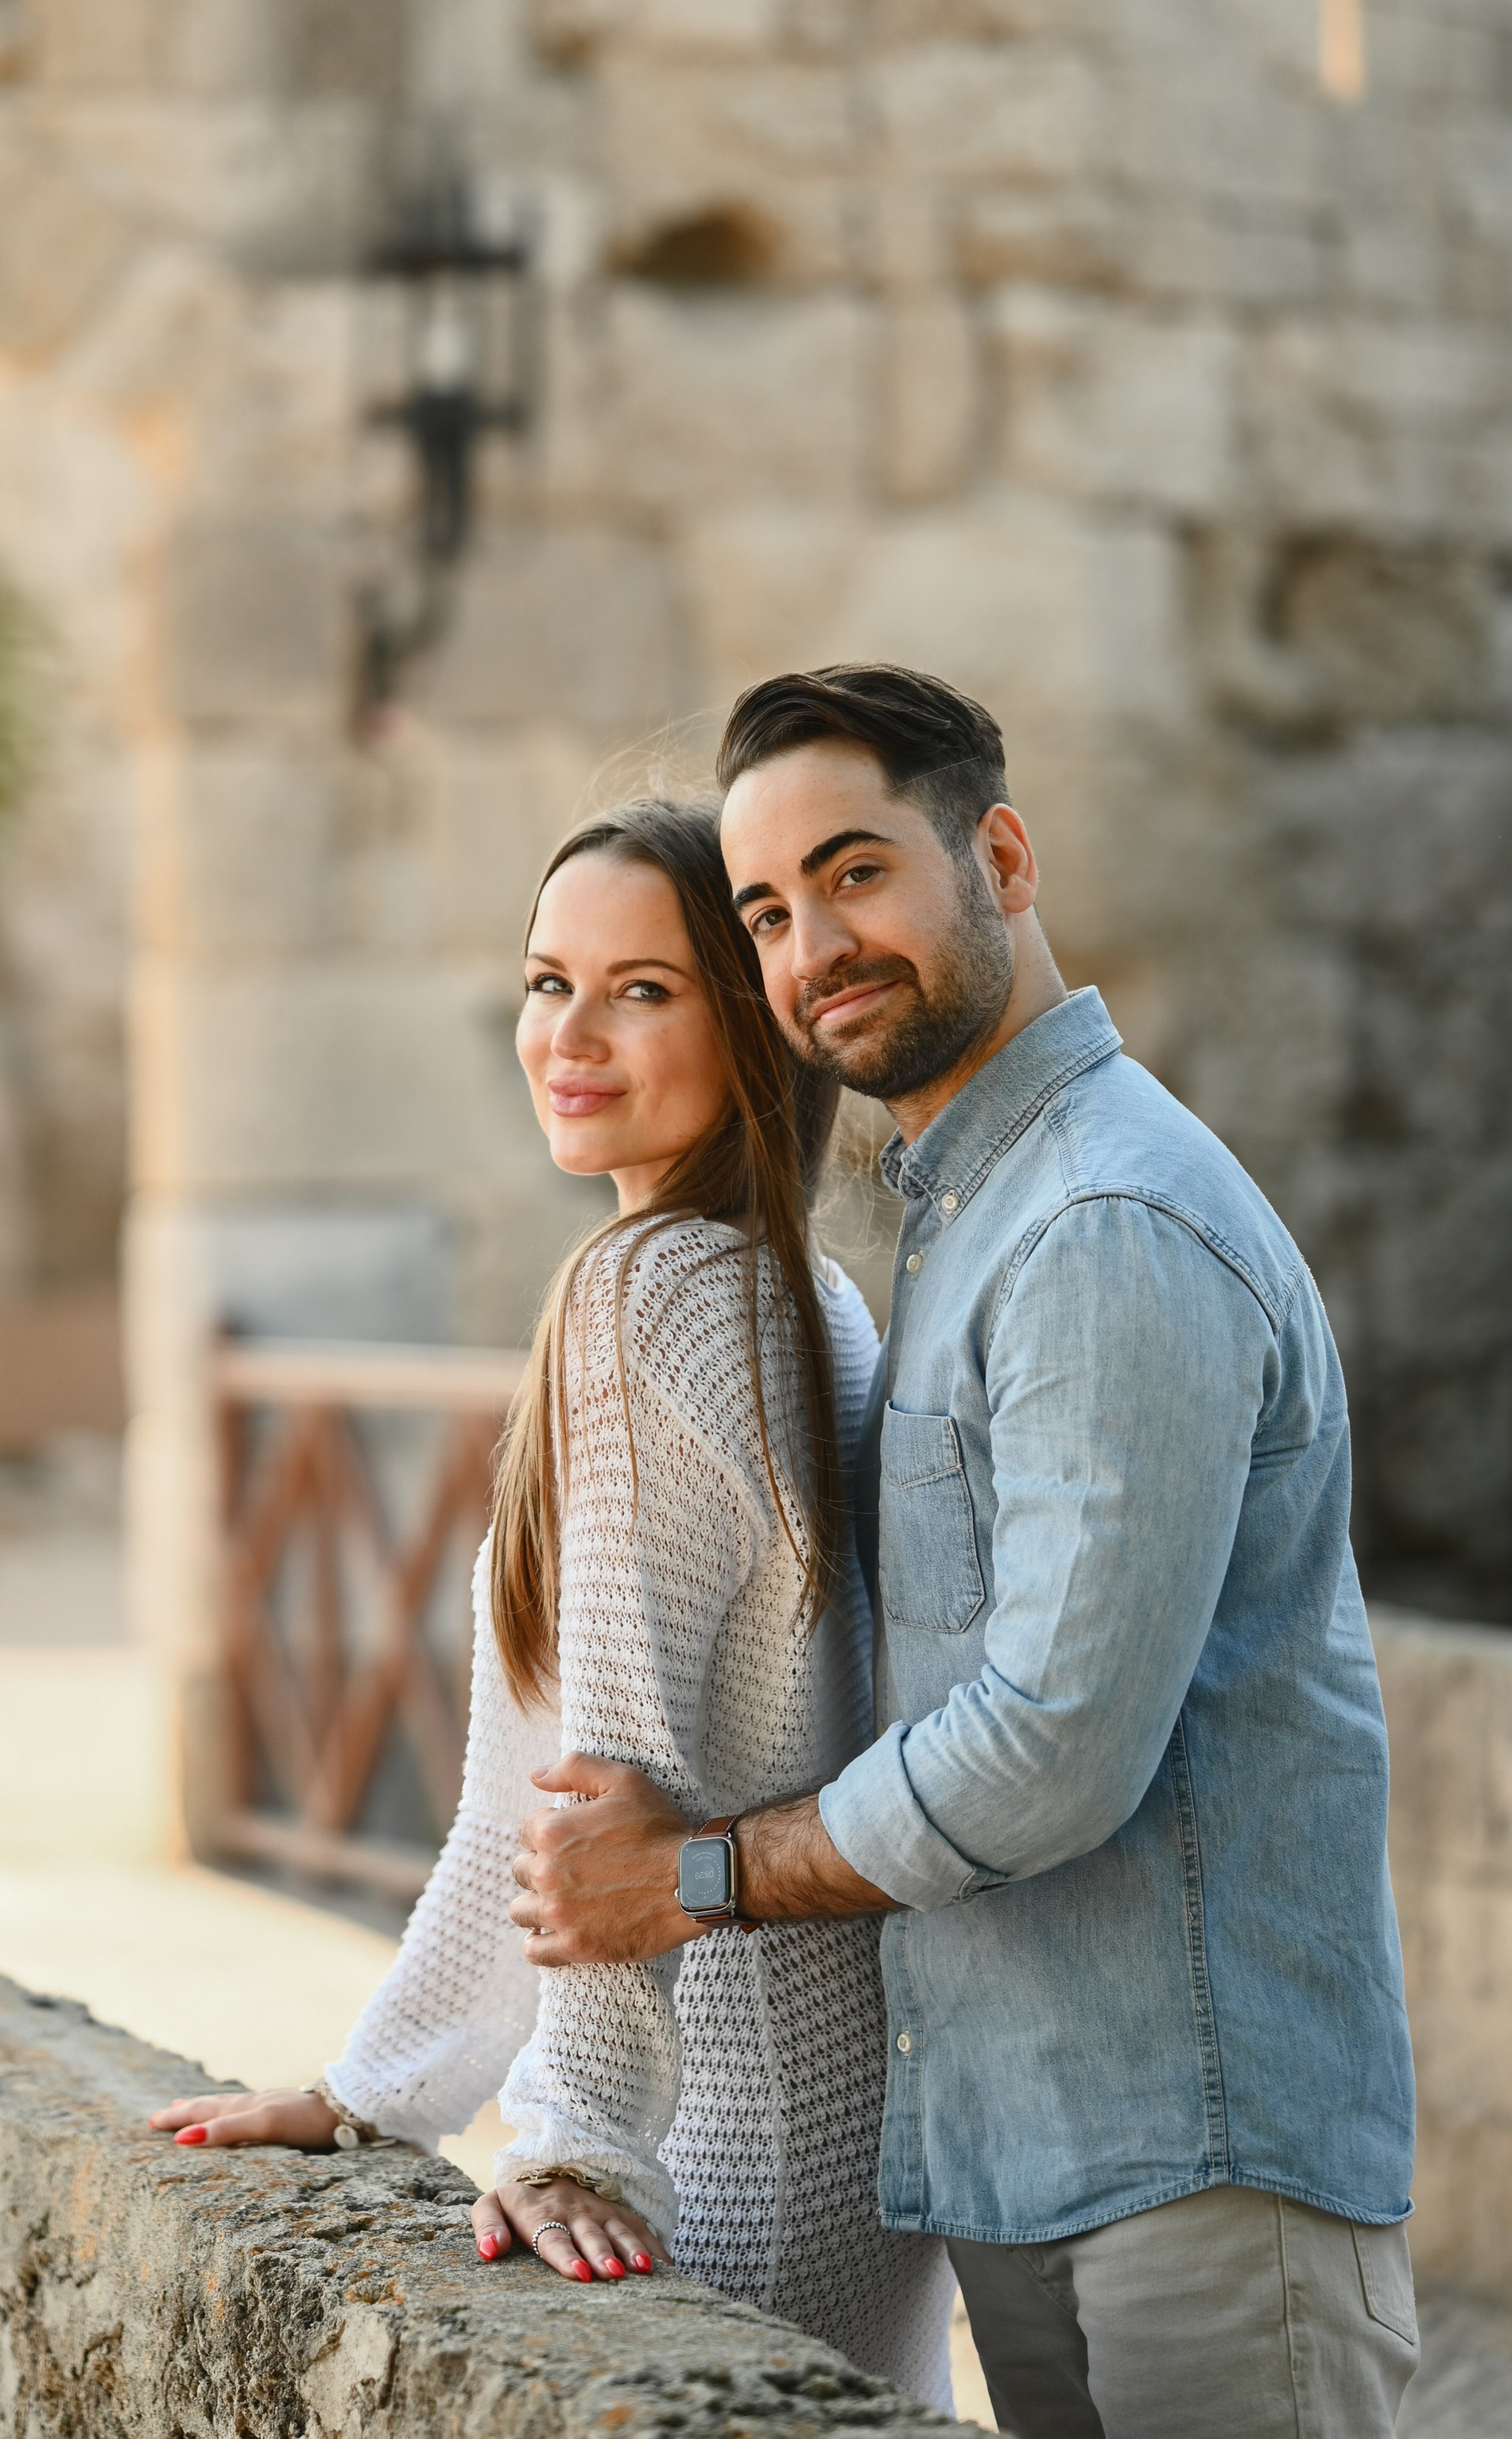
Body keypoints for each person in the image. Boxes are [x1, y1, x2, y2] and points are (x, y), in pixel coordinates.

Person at [507, 667, 1419, 2439]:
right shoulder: (961, 1220)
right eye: (766, 913)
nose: (812, 950)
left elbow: (1051, 1743)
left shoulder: (1098, 1218)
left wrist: (692, 1878)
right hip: (1020, 2162)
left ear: (998, 858)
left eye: (855, 873)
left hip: (1196, 2169)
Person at [149, 797, 956, 2406]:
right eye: (545, 982)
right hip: (856, 2128)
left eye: (641, 990)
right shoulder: (800, 1289)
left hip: (730, 2138)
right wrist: (375, 2091)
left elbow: (606, 1805)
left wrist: (579, 2139)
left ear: (751, 1027)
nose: (568, 1036)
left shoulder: (645, 1294)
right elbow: (526, 1806)